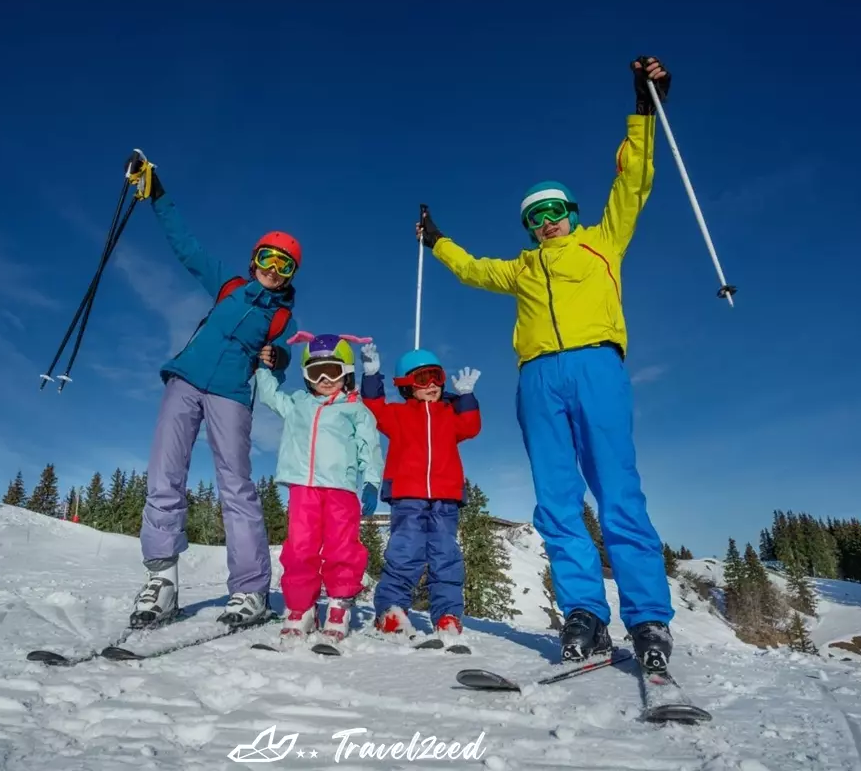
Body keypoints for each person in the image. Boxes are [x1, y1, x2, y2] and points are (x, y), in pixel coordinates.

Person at [416, 57, 676, 673]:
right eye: (535, 217)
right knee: (556, 498)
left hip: (596, 366)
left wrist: (644, 111)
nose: (546, 221)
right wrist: (438, 242)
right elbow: (476, 268)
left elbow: (632, 184)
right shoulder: (523, 268)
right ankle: (583, 611)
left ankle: (647, 617)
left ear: (572, 210)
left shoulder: (602, 240)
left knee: (617, 489)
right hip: (537, 377)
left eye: (554, 210)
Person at [125, 150, 299, 630]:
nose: (272, 268)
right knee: (165, 475)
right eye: (267, 257)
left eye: (283, 265)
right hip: (184, 381)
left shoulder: (283, 317)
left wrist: (279, 357)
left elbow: (280, 365)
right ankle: (161, 583)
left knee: (237, 487)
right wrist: (156, 191)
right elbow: (185, 244)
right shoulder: (229, 285)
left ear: (290, 275)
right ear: (253, 259)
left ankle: (250, 591)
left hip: (230, 396)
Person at [253, 332, 384, 645]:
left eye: (333, 371)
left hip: (341, 489)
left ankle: (339, 606)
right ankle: (301, 608)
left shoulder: (355, 408)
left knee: (342, 547)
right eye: (315, 372)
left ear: (346, 372)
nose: (325, 379)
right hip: (303, 488)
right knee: (300, 547)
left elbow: (370, 447)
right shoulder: (298, 404)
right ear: (306, 376)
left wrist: (371, 481)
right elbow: (271, 396)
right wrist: (263, 369)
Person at [359, 344, 481, 642]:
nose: (431, 385)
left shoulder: (449, 415)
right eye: (422, 378)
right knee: (405, 553)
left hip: (445, 497)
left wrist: (465, 396)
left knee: (446, 556)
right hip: (407, 496)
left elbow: (471, 426)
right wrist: (372, 375)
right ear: (405, 385)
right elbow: (372, 408)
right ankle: (391, 611)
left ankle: (447, 616)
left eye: (436, 377)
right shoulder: (398, 415)